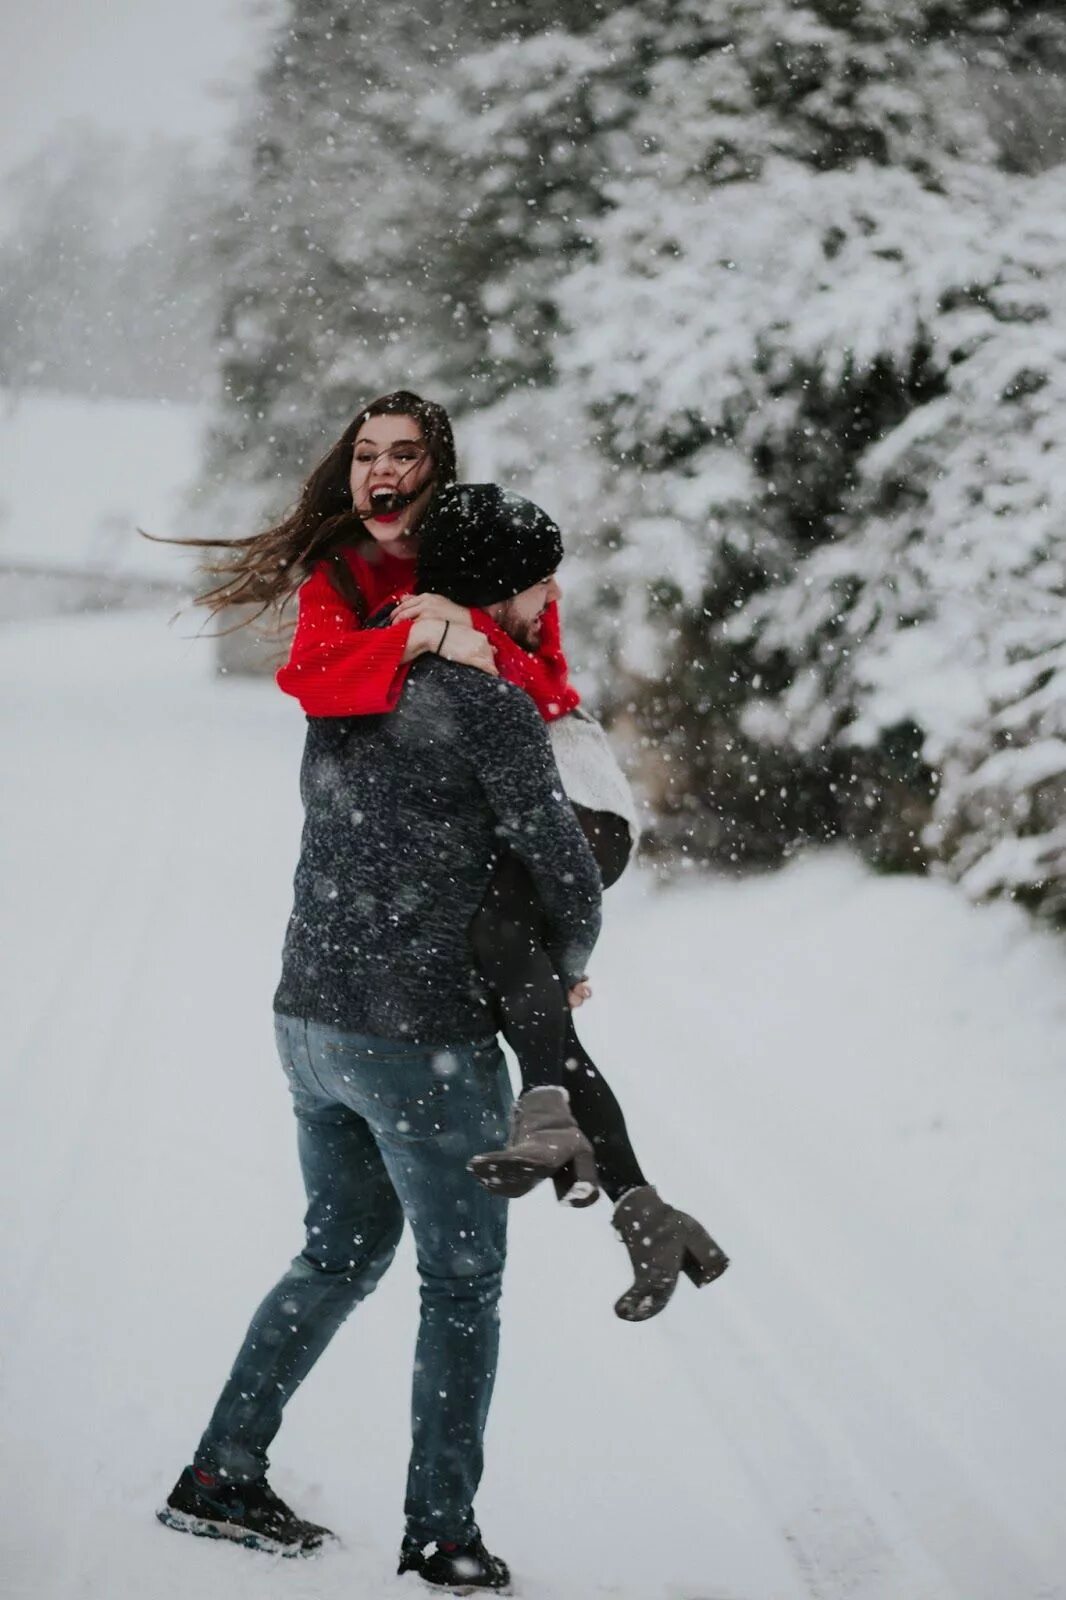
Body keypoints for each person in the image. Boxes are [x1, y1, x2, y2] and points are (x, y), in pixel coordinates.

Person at [158, 497, 603, 1591]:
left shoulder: (349, 683)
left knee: (337, 1252)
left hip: (309, 1017)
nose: (551, 603)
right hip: (420, 1040)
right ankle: (441, 1533)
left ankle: (219, 1474)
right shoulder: (490, 709)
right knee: (461, 1282)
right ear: (502, 586)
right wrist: (566, 960)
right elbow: (566, 870)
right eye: (543, 583)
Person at [268, 392, 728, 1322]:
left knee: (509, 934)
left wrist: (466, 638)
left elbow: (545, 686)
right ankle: (642, 1206)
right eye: (366, 453)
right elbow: (311, 680)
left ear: (437, 469)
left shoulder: (491, 546)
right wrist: (415, 637)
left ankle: (565, 1125)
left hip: (578, 783)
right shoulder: (349, 579)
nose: (381, 471)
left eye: (404, 454)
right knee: (506, 950)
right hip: (525, 783)